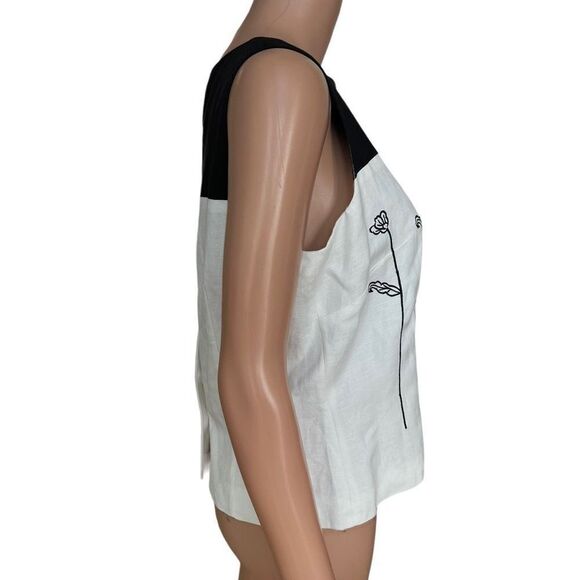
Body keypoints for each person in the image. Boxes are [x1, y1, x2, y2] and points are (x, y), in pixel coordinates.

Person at [195, 1, 425, 578]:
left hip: (293, 516)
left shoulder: (268, 77)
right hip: (309, 528)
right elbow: (246, 373)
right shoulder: (281, 85)